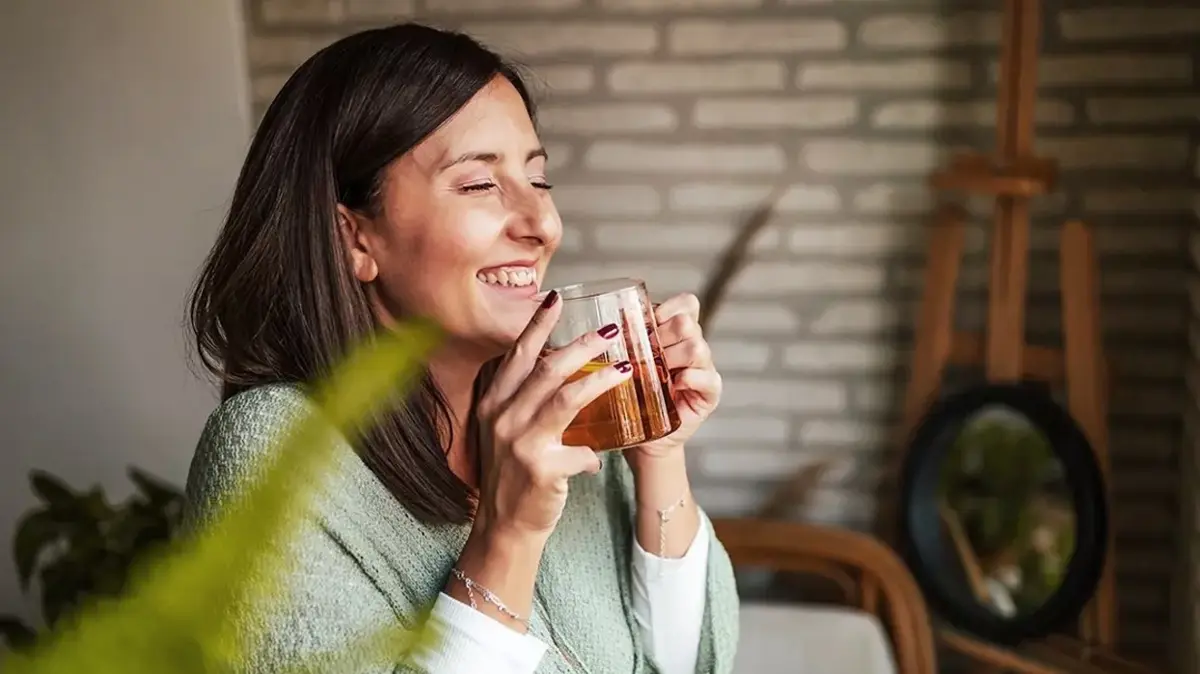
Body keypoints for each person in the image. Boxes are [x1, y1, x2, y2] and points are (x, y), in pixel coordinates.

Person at [183, 22, 738, 674]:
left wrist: (658, 454)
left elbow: (684, 664)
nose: (542, 224)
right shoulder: (271, 454)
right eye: (479, 185)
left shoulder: (563, 417)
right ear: (354, 238)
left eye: (539, 180)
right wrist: (510, 531)